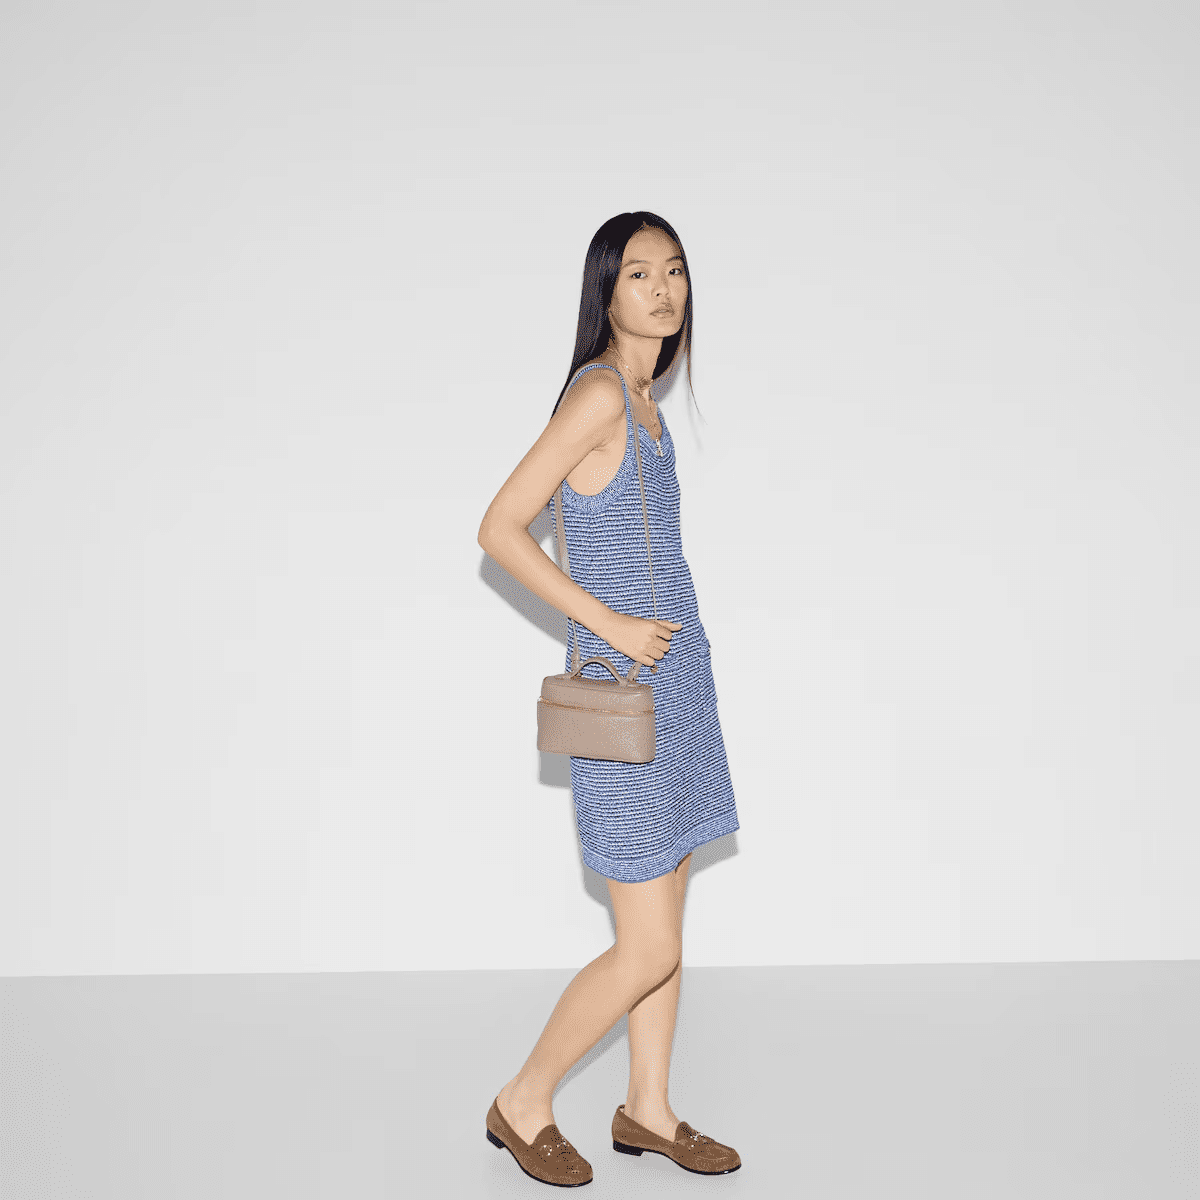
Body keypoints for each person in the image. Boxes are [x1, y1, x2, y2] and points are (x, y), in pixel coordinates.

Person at [476, 212, 742, 1186]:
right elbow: (500, 526)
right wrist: (613, 626)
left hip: (678, 692)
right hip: (621, 697)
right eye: (640, 274)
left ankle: (648, 1111)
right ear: (606, 292)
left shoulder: (646, 406)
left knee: (665, 922)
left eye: (675, 271)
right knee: (648, 944)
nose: (664, 290)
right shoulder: (598, 395)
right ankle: (523, 1101)